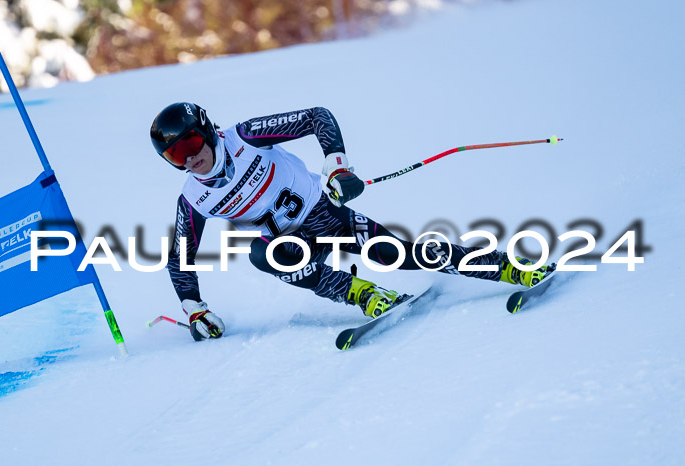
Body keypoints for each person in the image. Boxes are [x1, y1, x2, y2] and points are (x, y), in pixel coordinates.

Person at [150, 103, 552, 341]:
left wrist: (337, 167)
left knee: (400, 255)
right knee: (263, 254)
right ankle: (364, 295)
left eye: (190, 144)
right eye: (174, 156)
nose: (189, 159)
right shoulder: (194, 197)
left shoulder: (244, 136)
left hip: (328, 215)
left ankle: (507, 267)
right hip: (292, 244)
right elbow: (180, 255)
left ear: (206, 131)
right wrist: (194, 309)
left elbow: (316, 118)